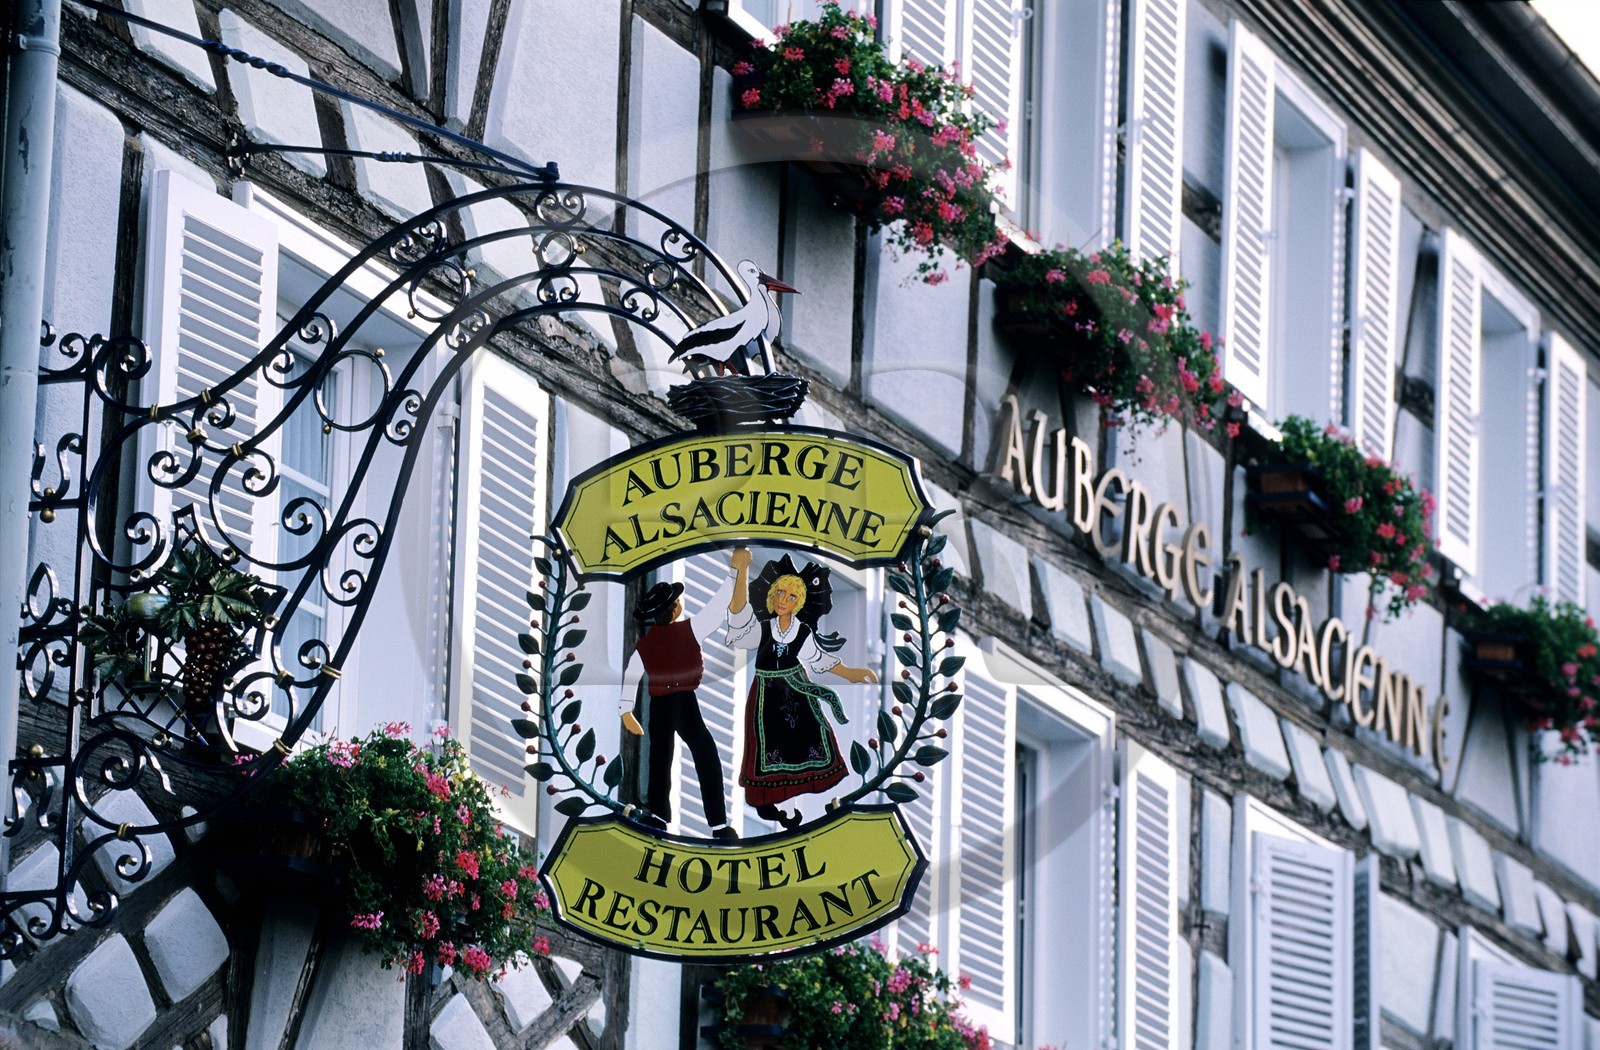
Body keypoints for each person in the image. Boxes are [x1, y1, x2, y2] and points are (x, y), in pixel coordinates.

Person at [726, 551, 879, 830]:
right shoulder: (764, 628)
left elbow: (818, 659)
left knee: (801, 744)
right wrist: (741, 571)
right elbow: (738, 620)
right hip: (765, 694)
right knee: (767, 747)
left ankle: (791, 803)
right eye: (780, 593)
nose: (783, 600)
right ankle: (768, 803)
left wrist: (850, 673)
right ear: (772, 595)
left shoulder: (802, 632)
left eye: (791, 596)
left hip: (795, 692)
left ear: (798, 602)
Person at [618, 551, 749, 841]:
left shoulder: (647, 644)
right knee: (703, 753)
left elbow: (632, 673)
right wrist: (735, 573)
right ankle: (716, 823)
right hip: (681, 701)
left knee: (661, 756)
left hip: (663, 704)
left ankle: (661, 816)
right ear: (672, 609)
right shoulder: (688, 629)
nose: (679, 606)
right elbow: (716, 609)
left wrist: (627, 710)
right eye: (676, 603)